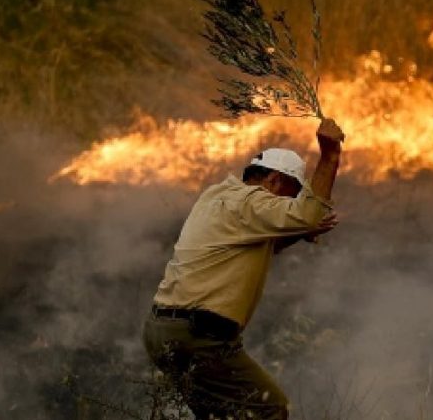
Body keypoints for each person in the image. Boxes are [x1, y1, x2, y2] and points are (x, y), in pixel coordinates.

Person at [142, 117, 346, 419]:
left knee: (220, 415)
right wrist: (330, 155)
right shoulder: (253, 201)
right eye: (290, 196)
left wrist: (297, 234)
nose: (286, 206)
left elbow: (258, 246)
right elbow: (309, 214)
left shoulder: (217, 196)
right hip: (200, 336)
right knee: (270, 409)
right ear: (274, 180)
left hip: (162, 330)